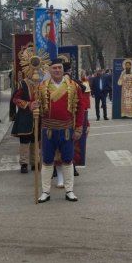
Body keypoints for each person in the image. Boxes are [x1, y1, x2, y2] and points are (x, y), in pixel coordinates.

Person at [34, 58, 84, 203]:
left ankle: (69, 190)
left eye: (59, 68)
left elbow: (80, 108)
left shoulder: (74, 86)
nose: (57, 70)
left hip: (66, 129)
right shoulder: (41, 87)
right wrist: (33, 106)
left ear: (63, 69)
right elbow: (33, 104)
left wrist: (79, 128)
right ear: (49, 70)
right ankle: (45, 191)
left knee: (68, 160)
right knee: (47, 161)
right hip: (48, 129)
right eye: (54, 68)